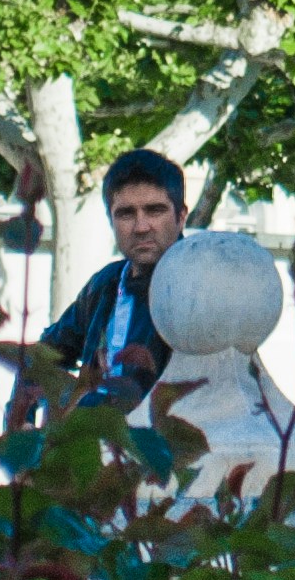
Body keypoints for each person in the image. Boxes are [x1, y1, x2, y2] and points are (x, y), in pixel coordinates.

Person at [33, 150, 188, 406]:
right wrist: (23, 418)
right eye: (126, 214)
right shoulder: (106, 284)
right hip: (97, 441)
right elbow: (41, 356)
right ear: (110, 220)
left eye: (155, 211)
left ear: (180, 217)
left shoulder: (198, 287)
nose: (141, 226)